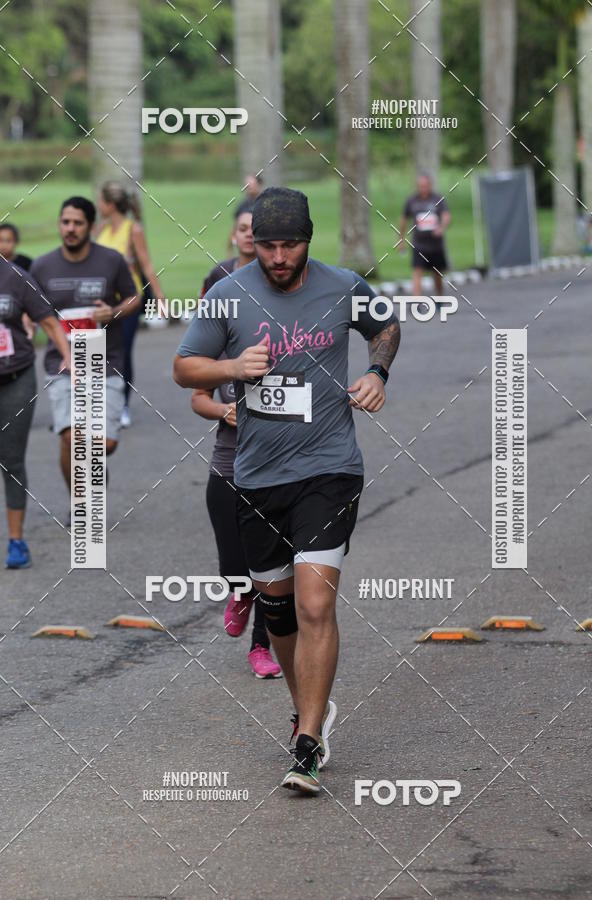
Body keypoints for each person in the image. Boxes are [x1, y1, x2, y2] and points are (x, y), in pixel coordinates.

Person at [174, 187, 400, 795]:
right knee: (277, 610)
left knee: (315, 604)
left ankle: (305, 744)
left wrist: (377, 371)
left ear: (308, 238)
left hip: (329, 470)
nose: (278, 256)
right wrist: (231, 369)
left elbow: (385, 326)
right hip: (256, 476)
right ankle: (311, 713)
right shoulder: (226, 295)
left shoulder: (344, 286)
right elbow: (184, 367)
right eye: (268, 245)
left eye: (289, 244)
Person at [192, 201, 281, 679]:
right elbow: (196, 395)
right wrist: (226, 408)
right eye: (244, 230)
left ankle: (261, 646)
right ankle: (239, 590)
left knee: (275, 562)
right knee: (236, 565)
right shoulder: (217, 345)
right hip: (229, 460)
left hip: (280, 463)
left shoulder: (288, 338)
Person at [30, 197, 139, 513]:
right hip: (62, 363)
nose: (70, 229)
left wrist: (114, 311)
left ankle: (93, 480)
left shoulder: (112, 260)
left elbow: (134, 298)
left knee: (104, 444)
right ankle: (81, 502)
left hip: (106, 362)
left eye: (78, 223)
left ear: (91, 227)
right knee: (70, 437)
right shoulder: (43, 266)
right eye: (65, 222)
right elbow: (33, 311)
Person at [0, 257, 71, 567]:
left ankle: (16, 541)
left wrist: (69, 357)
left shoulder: (16, 277)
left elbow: (48, 321)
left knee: (11, 459)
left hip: (15, 378)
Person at [96, 181, 164, 428]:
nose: (99, 205)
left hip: (128, 300)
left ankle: (122, 405)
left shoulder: (132, 230)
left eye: (101, 201)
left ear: (110, 204)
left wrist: (160, 298)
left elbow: (146, 265)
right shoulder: (100, 229)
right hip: (102, 302)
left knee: (121, 352)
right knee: (98, 353)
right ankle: (101, 404)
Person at [399, 172, 451, 296]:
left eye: (425, 185)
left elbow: (446, 215)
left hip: (435, 245)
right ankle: (417, 303)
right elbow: (403, 220)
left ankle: (439, 297)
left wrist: (441, 227)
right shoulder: (411, 201)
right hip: (419, 244)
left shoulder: (437, 199)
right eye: (421, 186)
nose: (423, 188)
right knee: (417, 272)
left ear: (430, 185)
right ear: (417, 186)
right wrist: (401, 239)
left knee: (437, 274)